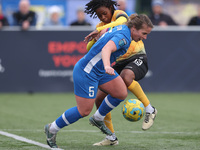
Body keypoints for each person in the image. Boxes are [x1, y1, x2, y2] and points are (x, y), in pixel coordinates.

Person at [44, 13, 153, 148]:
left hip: (99, 70)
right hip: (87, 71)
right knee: (83, 111)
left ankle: (98, 118)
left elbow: (106, 32)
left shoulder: (123, 27)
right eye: (144, 33)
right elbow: (107, 48)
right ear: (134, 28)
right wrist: (107, 65)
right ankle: (52, 129)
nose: (144, 37)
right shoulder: (124, 37)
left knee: (121, 92)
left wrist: (98, 34)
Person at [84, 0, 157, 146]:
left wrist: (103, 30)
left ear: (111, 8)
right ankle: (111, 137)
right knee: (99, 99)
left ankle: (150, 109)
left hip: (137, 57)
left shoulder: (119, 15)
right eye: (99, 16)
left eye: (104, 13)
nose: (103, 18)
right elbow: (89, 48)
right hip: (119, 62)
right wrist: (96, 38)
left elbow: (123, 21)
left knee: (126, 76)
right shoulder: (100, 26)